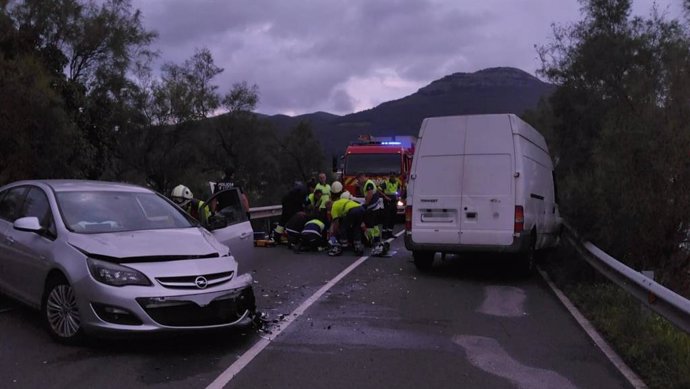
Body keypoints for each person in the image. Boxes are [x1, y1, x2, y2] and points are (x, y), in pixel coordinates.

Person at [356, 172, 386, 256]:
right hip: (375, 208)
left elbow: (369, 195)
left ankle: (370, 240)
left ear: (362, 177)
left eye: (358, 179)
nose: (358, 181)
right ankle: (376, 239)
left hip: (371, 208)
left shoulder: (369, 184)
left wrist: (365, 205)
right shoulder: (367, 183)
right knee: (375, 225)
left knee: (370, 226)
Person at [328, 191, 365, 256]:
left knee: (343, 227)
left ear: (329, 206)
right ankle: (357, 245)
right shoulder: (340, 201)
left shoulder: (333, 207)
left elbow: (336, 223)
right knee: (356, 227)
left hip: (352, 211)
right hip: (361, 209)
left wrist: (334, 233)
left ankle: (344, 245)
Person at [380, 172, 402, 239]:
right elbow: (379, 190)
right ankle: (384, 234)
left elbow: (399, 189)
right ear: (389, 177)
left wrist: (398, 195)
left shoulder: (397, 182)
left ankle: (390, 233)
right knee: (387, 217)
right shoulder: (385, 183)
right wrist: (385, 196)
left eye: (393, 177)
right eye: (391, 177)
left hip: (394, 201)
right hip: (387, 201)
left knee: (393, 217)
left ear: (395, 177)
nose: (392, 178)